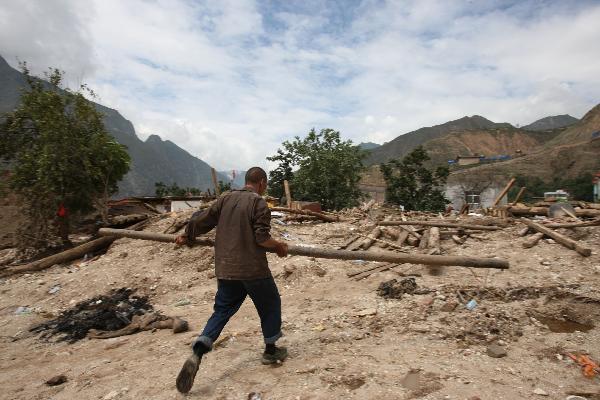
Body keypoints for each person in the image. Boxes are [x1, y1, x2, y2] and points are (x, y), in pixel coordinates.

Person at [175, 167, 289, 394]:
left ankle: (199, 350)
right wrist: (279, 246)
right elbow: (262, 238)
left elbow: (203, 219)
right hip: (253, 270)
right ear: (262, 183)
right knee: (270, 304)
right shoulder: (259, 203)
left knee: (222, 310)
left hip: (226, 269)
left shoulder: (225, 198)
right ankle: (270, 350)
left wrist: (187, 235)